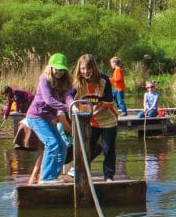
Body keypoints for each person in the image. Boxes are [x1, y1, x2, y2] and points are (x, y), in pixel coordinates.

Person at [25, 54, 74, 184]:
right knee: (52, 143)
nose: (59, 72)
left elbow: (67, 96)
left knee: (62, 145)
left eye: (62, 70)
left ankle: (52, 176)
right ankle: (45, 178)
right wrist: (66, 108)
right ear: (50, 67)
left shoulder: (63, 81)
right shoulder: (44, 79)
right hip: (36, 116)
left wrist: (72, 104)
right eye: (57, 69)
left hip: (48, 118)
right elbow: (49, 100)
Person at [71, 53, 119, 181]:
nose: (86, 72)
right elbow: (69, 98)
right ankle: (80, 171)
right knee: (86, 146)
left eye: (88, 68)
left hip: (107, 119)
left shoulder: (104, 80)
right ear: (79, 69)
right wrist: (74, 107)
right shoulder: (77, 82)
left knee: (108, 149)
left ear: (94, 67)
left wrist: (91, 114)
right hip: (90, 121)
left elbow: (107, 103)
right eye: (83, 69)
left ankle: (108, 176)